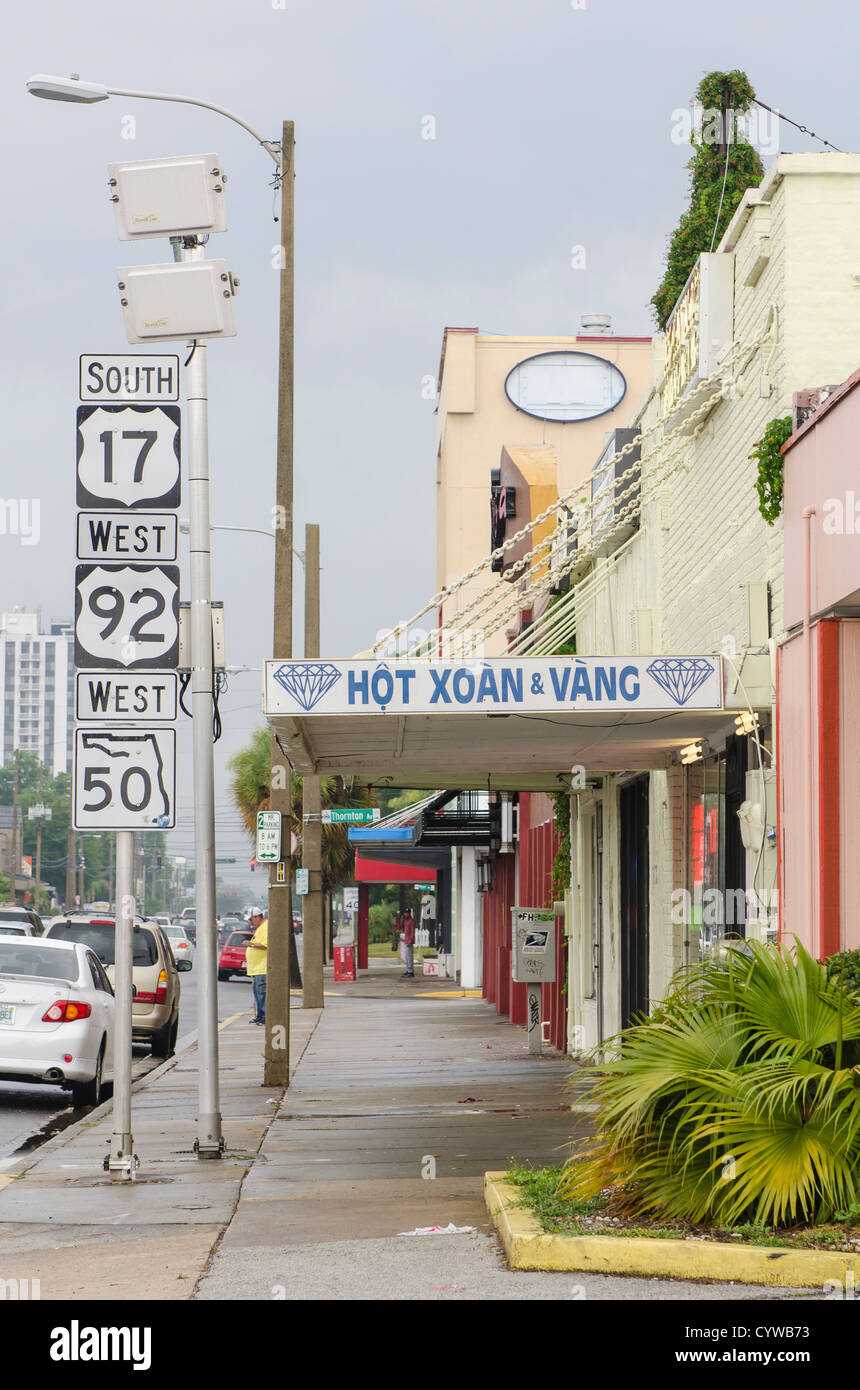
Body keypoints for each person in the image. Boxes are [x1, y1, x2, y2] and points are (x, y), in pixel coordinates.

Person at [245, 908, 268, 1024]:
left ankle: (265, 1018)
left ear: (258, 917)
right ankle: (260, 1016)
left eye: (251, 919)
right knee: (258, 995)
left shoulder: (266, 927)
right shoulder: (260, 928)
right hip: (256, 969)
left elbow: (265, 945)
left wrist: (251, 944)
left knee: (262, 994)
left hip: (262, 968)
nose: (250, 922)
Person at [399, 908, 416, 979]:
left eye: (406, 913)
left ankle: (411, 972)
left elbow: (412, 931)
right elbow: (402, 928)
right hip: (406, 940)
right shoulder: (406, 921)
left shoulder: (411, 921)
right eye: (405, 913)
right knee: (406, 957)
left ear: (409, 914)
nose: (405, 914)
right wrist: (402, 921)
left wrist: (411, 940)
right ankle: (408, 970)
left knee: (409, 957)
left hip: (409, 941)